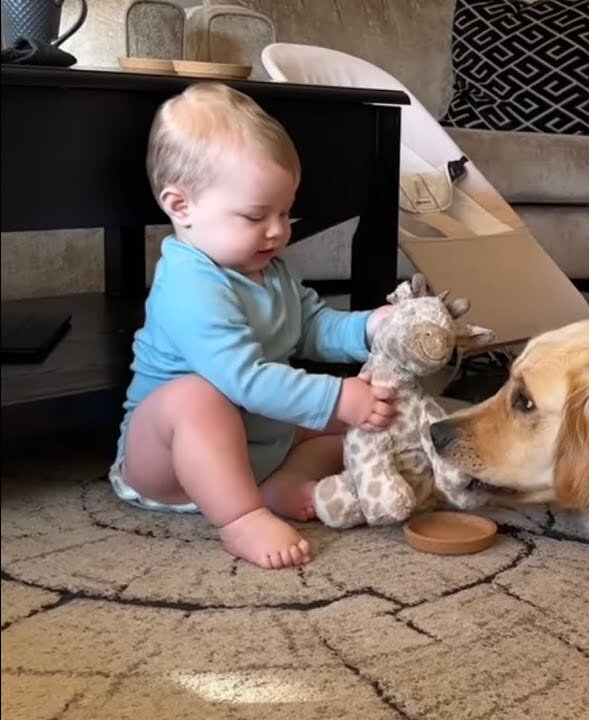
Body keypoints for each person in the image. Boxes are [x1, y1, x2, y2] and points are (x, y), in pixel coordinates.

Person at [108, 82, 396, 570]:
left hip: (258, 439)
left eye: (286, 213)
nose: (278, 231)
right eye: (255, 216)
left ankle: (277, 486)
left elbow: (311, 328)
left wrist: (371, 329)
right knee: (198, 397)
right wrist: (336, 395)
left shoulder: (268, 269)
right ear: (181, 207)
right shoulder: (189, 285)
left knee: (360, 425)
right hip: (168, 461)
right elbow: (245, 379)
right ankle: (242, 517)